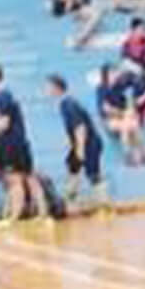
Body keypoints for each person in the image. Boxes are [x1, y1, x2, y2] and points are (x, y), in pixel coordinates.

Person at [0, 62, 45, 222]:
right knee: (29, 176)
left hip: (11, 143)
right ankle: (42, 213)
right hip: (19, 141)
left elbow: (3, 123)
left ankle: (14, 216)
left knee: (15, 179)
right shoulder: (3, 95)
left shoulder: (2, 95)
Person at [50, 71, 112, 212]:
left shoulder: (68, 104)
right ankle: (70, 198)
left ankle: (105, 203)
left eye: (49, 87)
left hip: (89, 143)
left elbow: (80, 127)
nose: (47, 90)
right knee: (72, 167)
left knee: (93, 173)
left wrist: (80, 148)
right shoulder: (64, 103)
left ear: (57, 88)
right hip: (82, 143)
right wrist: (70, 143)